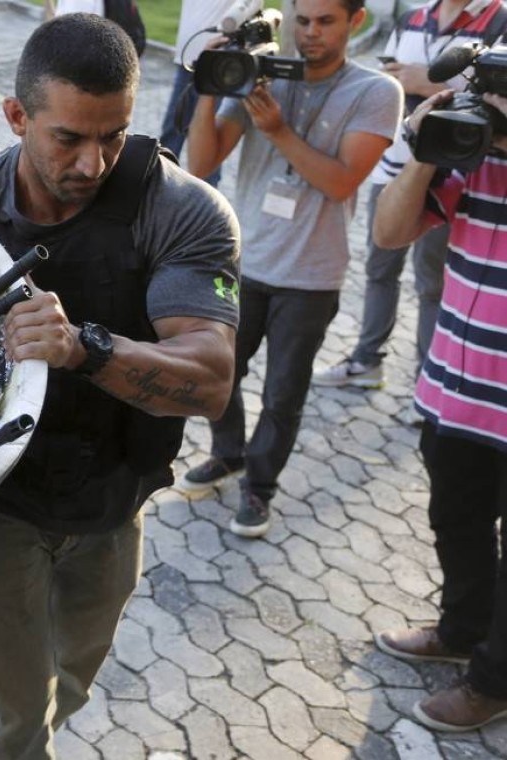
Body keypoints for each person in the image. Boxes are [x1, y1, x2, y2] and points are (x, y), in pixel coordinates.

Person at [0, 14, 240, 759]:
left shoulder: (182, 210)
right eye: (68, 138)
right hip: (2, 503)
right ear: (16, 116)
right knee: (15, 710)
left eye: (112, 136)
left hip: (112, 498)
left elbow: (209, 382)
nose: (92, 162)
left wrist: (84, 350)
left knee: (74, 674)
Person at [182, 0, 402, 538]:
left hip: (311, 275)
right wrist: (212, 87)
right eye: (302, 20)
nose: (310, 34)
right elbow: (201, 164)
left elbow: (341, 181)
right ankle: (228, 453)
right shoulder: (260, 75)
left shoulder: (376, 92)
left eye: (326, 21)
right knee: (220, 372)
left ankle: (260, 487)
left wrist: (278, 130)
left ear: (357, 21)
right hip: (245, 260)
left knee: (283, 394)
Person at [371, 89, 507, 733]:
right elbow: (389, 231)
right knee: (458, 519)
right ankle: (461, 629)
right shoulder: (467, 147)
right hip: (457, 389)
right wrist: (426, 148)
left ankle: (493, 682)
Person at [313, 0, 505, 395]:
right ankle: (366, 361)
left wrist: (424, 83)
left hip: (454, 176)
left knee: (433, 283)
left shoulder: (499, 20)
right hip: (396, 167)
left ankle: (430, 377)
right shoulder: (412, 19)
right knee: (379, 270)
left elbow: (494, 98)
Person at [159, 0, 236, 187]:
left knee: (209, 134)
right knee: (172, 129)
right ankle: (159, 185)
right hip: (188, 59)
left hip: (218, 64)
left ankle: (207, 197)